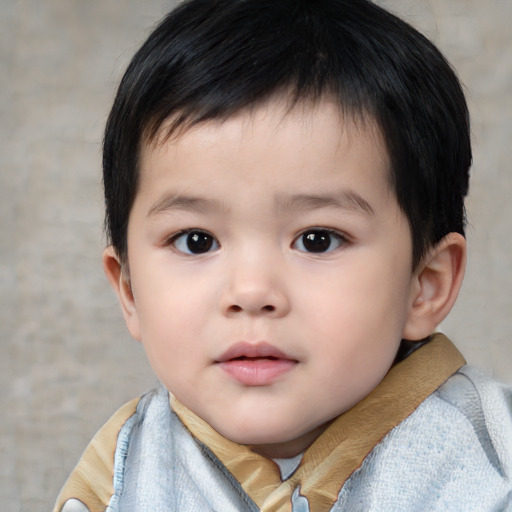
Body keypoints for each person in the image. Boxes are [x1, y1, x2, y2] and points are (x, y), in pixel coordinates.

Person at [54, 0, 512, 510]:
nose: (251, 292)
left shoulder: (493, 458)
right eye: (196, 240)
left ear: (424, 284)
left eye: (317, 239)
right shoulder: (120, 474)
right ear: (130, 289)